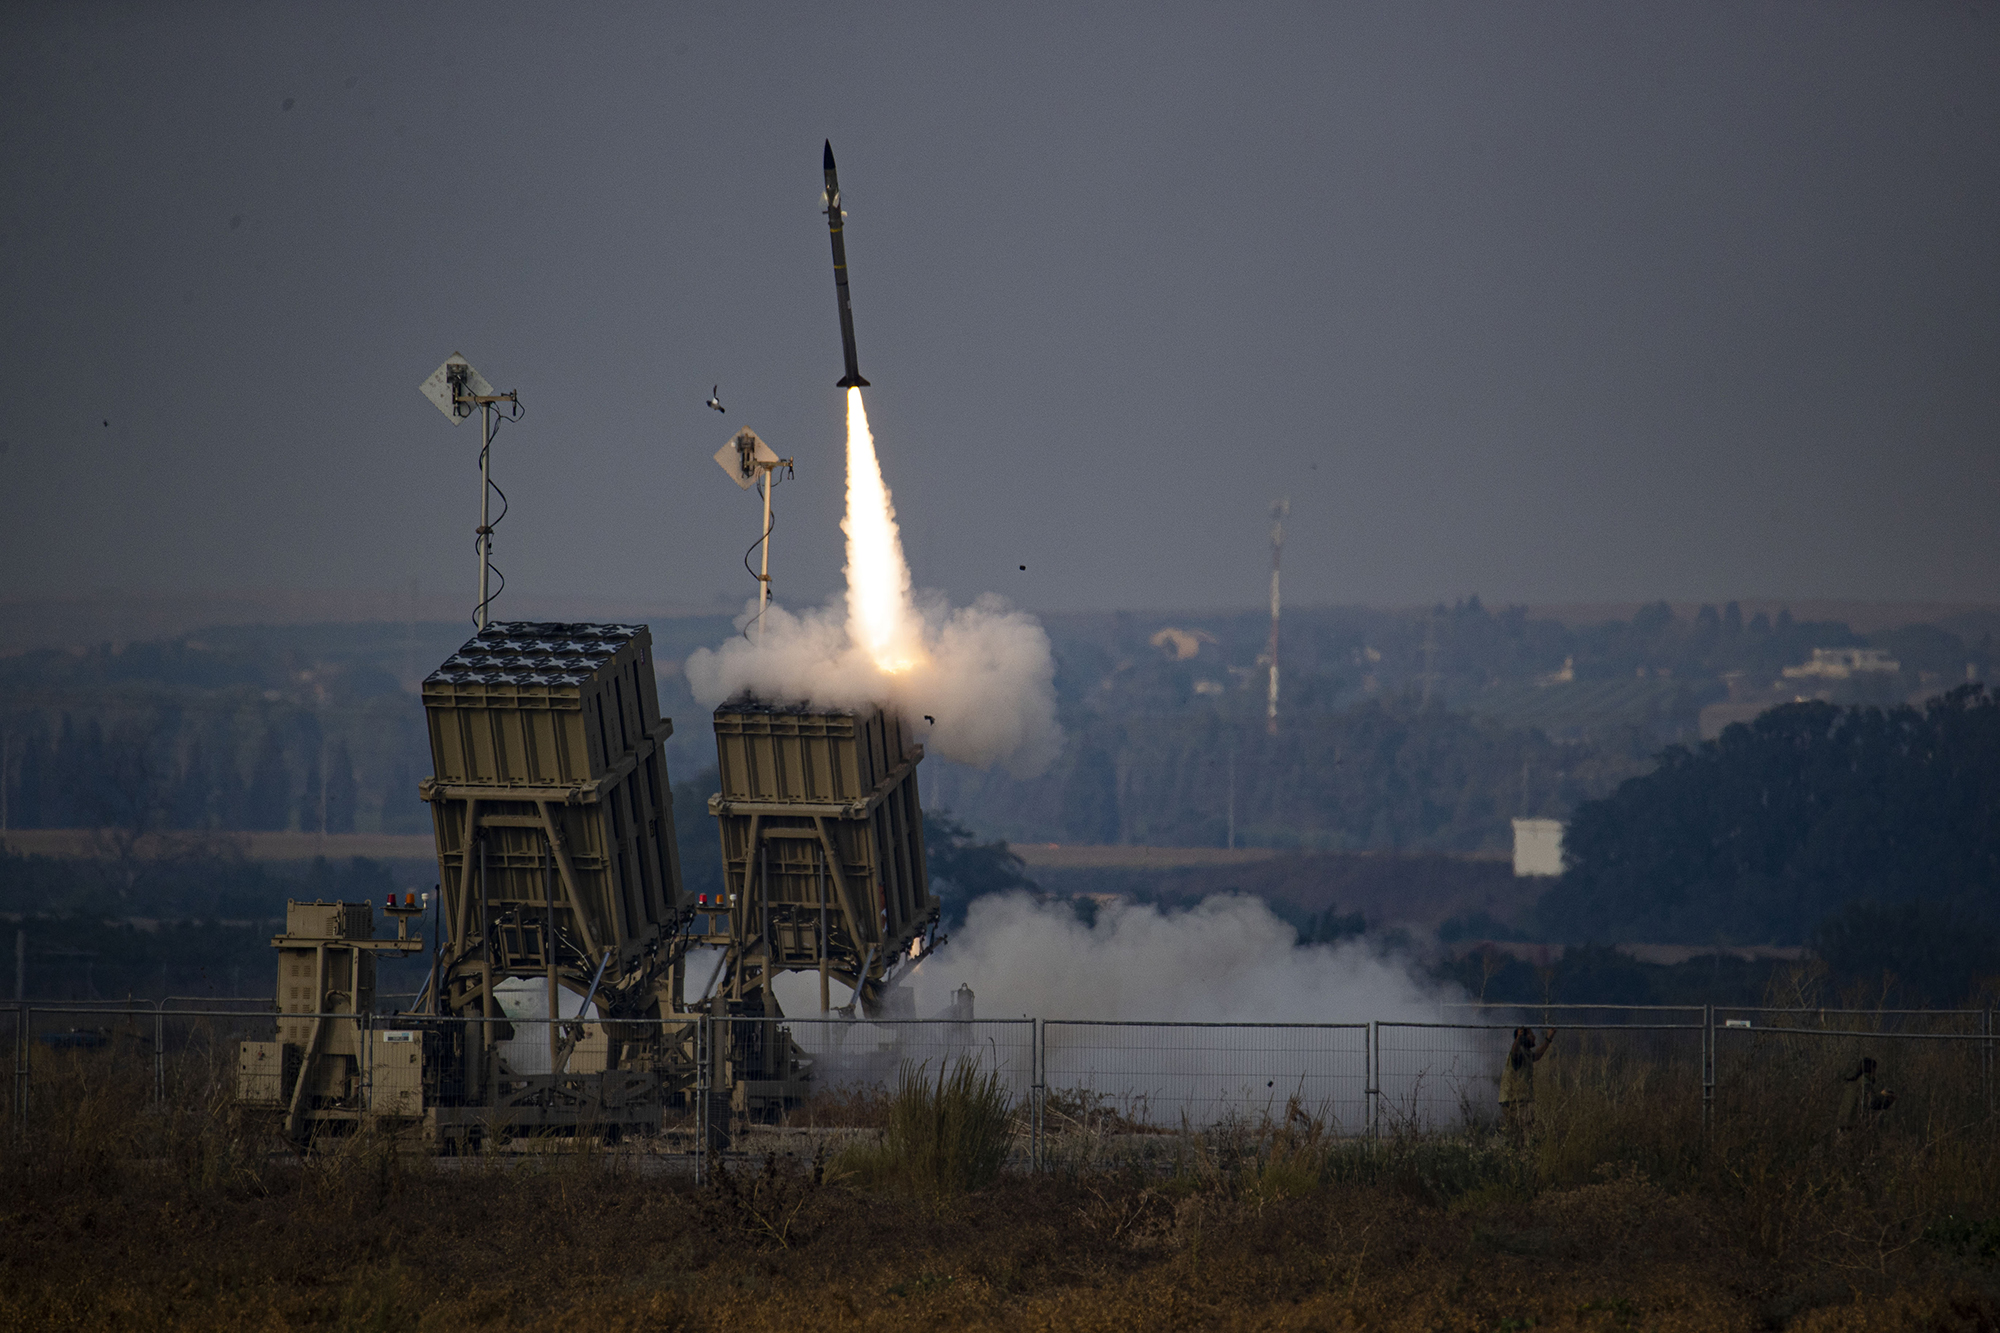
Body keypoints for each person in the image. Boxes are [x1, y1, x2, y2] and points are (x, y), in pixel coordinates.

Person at [1499, 1026, 1556, 1148]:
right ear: (1523, 1038)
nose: (1534, 1037)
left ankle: (1519, 1158)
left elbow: (1538, 1055)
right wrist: (1518, 1038)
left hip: (1518, 1099)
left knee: (1520, 1135)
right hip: (1515, 1100)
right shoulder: (1517, 1053)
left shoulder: (1526, 1053)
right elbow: (1514, 1053)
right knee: (1524, 1132)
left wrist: (1548, 1038)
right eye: (1531, 1035)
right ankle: (1522, 1158)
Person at [1836, 1055, 1896, 1132]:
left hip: (1842, 1124)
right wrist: (1886, 1098)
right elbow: (1872, 1103)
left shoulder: (1853, 1083)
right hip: (1853, 1126)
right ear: (1872, 1069)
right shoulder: (1865, 1083)